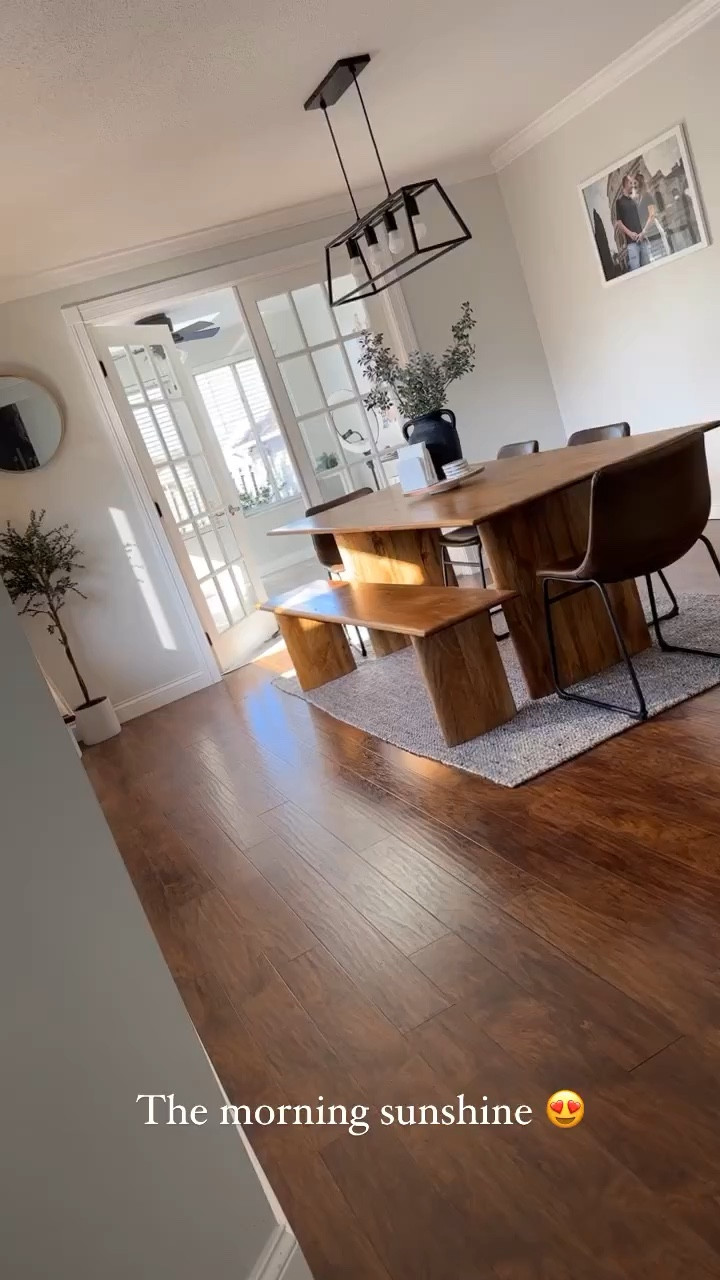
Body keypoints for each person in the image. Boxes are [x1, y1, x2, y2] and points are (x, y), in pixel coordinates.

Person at [614, 173, 650, 271]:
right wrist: (630, 234)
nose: (633, 185)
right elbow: (619, 223)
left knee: (648, 269)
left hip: (642, 240)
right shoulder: (619, 202)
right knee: (636, 271)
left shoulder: (634, 201)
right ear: (625, 185)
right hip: (632, 244)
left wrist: (643, 233)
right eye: (630, 183)